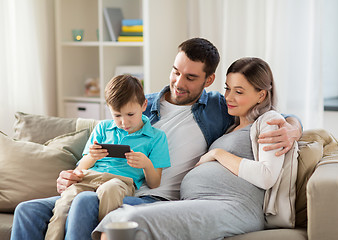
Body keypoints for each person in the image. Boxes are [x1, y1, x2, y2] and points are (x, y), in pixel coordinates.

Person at [11, 38, 302, 240]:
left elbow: (268, 113)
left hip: (150, 198)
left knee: (87, 203)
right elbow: (97, 147)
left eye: (190, 77)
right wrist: (71, 175)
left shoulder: (219, 108)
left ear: (208, 80)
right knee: (28, 210)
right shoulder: (139, 105)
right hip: (106, 184)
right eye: (176, 72)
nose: (178, 82)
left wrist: (293, 127)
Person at [95, 57, 293, 240]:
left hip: (231, 207)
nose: (229, 98)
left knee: (127, 220)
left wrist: (218, 154)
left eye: (239, 92)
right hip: (197, 201)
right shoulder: (230, 124)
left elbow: (267, 175)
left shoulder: (268, 120)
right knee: (120, 218)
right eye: (227, 89)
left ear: (261, 95)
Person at [44, 75, 170, 240]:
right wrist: (92, 157)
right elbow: (80, 168)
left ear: (144, 105)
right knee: (65, 201)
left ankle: (106, 236)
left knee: (109, 189)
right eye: (117, 115)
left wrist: (146, 164)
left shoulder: (156, 137)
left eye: (130, 114)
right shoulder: (103, 128)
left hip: (120, 182)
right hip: (89, 178)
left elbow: (155, 183)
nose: (124, 122)